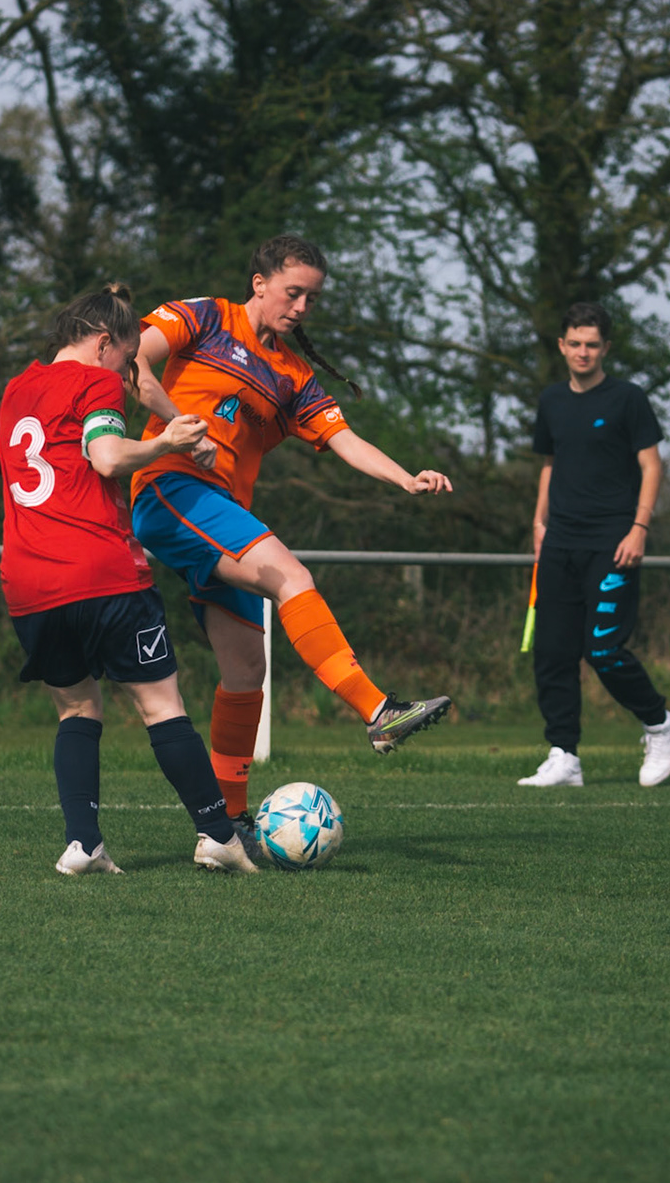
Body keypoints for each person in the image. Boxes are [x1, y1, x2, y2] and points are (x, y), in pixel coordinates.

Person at [126, 234, 454, 830]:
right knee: (291, 576)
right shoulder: (206, 317)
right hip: (170, 487)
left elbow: (345, 440)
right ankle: (378, 711)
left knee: (246, 670)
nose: (301, 307)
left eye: (312, 299)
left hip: (219, 511)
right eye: (292, 292)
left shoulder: (294, 375)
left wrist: (406, 478)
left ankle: (225, 828)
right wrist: (181, 430)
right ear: (259, 283)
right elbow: (133, 361)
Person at [0, 283, 258, 874]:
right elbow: (106, 456)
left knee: (77, 710)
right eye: (129, 359)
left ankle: (84, 844)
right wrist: (164, 442)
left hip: (28, 582)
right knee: (161, 706)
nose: (128, 374)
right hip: (101, 571)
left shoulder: (16, 388)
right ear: (104, 343)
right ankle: (218, 836)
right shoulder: (96, 381)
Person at [519, 301, 670, 788]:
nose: (583, 352)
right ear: (561, 345)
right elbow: (550, 464)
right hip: (559, 542)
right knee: (552, 653)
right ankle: (564, 756)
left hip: (613, 541)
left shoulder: (627, 399)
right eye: (575, 343)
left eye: (592, 344)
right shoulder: (552, 400)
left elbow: (652, 465)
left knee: (603, 649)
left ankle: (660, 723)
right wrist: (538, 522)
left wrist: (639, 528)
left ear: (605, 348)